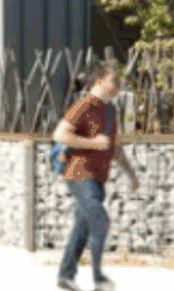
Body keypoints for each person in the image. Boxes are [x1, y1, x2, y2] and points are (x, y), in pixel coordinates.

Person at [52, 62, 139, 290]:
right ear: (99, 81)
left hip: (99, 177)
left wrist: (131, 174)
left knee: (82, 227)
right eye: (114, 79)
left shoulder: (111, 111)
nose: (118, 84)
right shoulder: (83, 106)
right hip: (79, 174)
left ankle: (65, 276)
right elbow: (60, 134)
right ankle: (99, 279)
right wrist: (92, 143)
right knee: (99, 220)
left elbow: (113, 147)